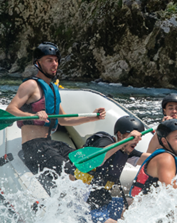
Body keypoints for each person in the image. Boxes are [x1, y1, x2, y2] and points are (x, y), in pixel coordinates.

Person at [6, 42, 105, 190]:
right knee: (72, 172)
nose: (54, 64)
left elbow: (64, 120)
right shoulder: (30, 85)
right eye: (49, 60)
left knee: (86, 163)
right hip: (34, 147)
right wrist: (33, 115)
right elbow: (10, 110)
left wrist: (92, 117)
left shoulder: (53, 89)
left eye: (56, 60)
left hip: (51, 143)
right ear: (38, 63)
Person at [74, 116, 148, 223]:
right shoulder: (103, 141)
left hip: (102, 201)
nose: (137, 140)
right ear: (120, 135)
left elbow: (154, 159)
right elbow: (100, 157)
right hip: (82, 205)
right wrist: (124, 142)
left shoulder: (126, 151)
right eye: (132, 136)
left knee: (133, 208)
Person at [131, 119, 177, 197]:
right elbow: (170, 191)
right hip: (147, 207)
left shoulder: (167, 156)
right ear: (164, 141)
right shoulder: (165, 158)